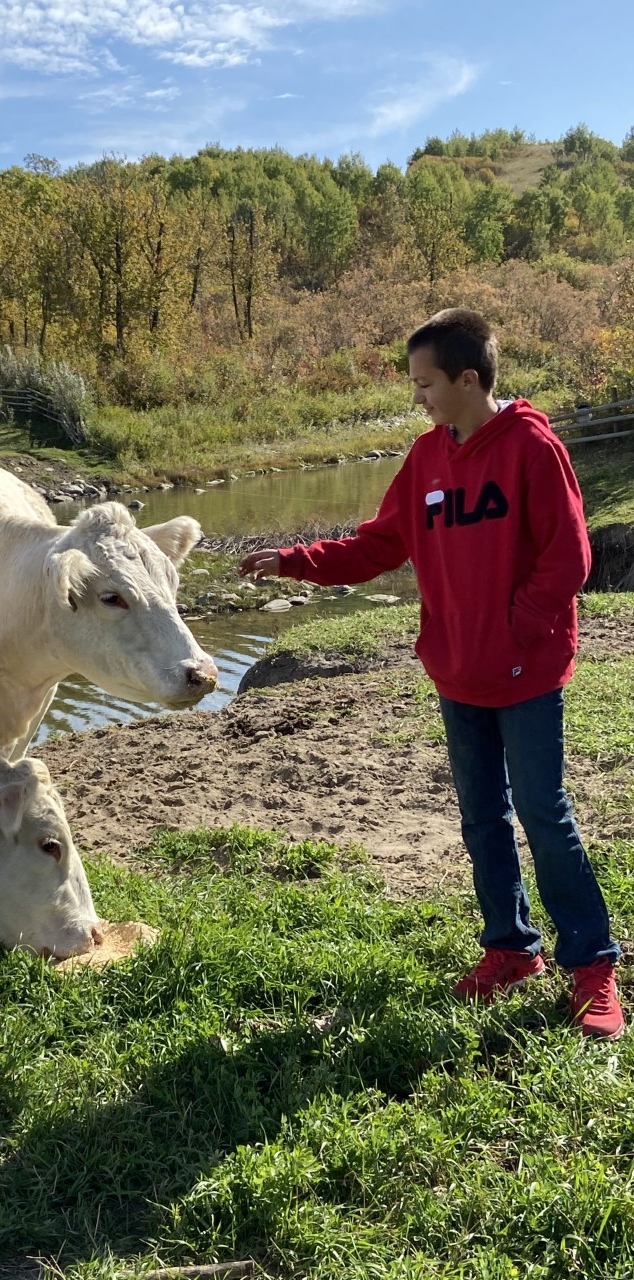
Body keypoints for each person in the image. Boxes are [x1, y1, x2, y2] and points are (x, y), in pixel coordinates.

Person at [239, 307, 624, 1039]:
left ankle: (593, 965)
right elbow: (377, 547)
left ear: (469, 379)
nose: (417, 396)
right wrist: (294, 560)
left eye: (425, 383)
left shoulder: (532, 449)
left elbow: (568, 559)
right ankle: (510, 950)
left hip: (525, 672)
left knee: (545, 815)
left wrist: (515, 631)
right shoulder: (426, 462)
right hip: (457, 676)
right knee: (482, 818)